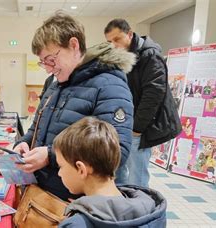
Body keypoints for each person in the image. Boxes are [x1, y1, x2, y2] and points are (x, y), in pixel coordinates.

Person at [14, 12, 135, 201]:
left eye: (51, 59)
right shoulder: (55, 85)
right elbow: (36, 128)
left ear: (73, 45)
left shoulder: (109, 85)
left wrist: (50, 155)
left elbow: (116, 150)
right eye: (43, 62)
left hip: (76, 203)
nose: (47, 68)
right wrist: (24, 143)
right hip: (44, 194)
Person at [105, 18, 181, 187]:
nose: (114, 45)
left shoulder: (150, 55)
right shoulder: (123, 56)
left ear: (130, 34)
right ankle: (123, 206)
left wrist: (137, 128)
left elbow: (153, 94)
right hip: (125, 123)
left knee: (137, 176)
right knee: (119, 169)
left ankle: (139, 210)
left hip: (139, 126)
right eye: (110, 42)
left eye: (117, 39)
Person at [53, 117, 167, 228]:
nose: (59, 173)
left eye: (61, 166)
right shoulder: (152, 212)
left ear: (81, 169)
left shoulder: (76, 224)